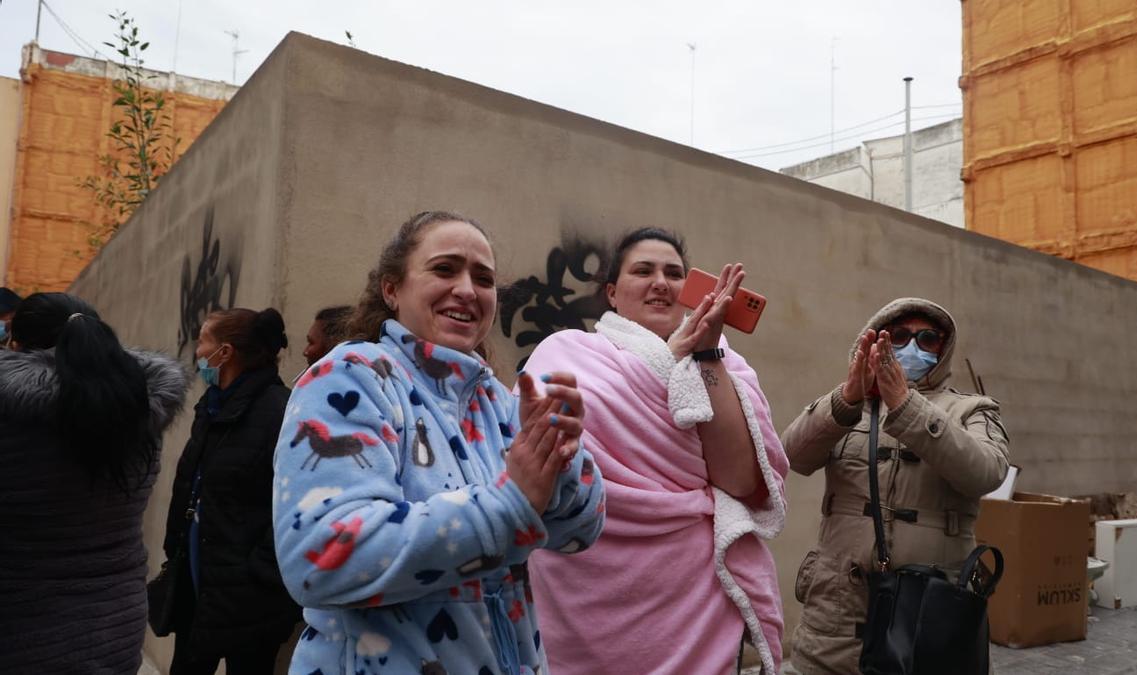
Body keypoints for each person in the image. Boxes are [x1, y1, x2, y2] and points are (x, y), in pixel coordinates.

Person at [273, 210, 605, 674]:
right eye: (445, 269)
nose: (467, 289)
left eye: (484, 278)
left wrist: (560, 458)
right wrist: (509, 505)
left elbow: (578, 534)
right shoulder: (349, 378)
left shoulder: (499, 401)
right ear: (392, 289)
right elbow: (320, 558)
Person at [522, 228, 789, 674]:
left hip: (690, 594)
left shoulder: (728, 363)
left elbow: (740, 480)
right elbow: (537, 456)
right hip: (585, 576)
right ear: (611, 292)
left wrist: (703, 356)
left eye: (674, 273)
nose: (660, 282)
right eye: (642, 271)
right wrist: (665, 361)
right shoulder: (567, 351)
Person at [784, 297, 1010, 674]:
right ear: (874, 344)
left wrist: (907, 405)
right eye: (900, 336)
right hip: (837, 611)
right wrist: (847, 398)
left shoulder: (973, 409)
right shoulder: (848, 406)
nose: (912, 347)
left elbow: (986, 472)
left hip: (928, 612)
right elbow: (792, 454)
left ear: (944, 347)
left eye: (927, 338)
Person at [0, 292, 188, 673]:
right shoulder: (135, 412)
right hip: (115, 624)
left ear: (16, 346)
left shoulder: (12, 419)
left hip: (23, 627)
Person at [163, 307, 301, 675]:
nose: (196, 351)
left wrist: (261, 574)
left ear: (224, 352)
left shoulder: (281, 412)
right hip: (198, 586)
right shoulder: (210, 407)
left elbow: (291, 504)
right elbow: (191, 484)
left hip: (251, 601)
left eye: (202, 340)